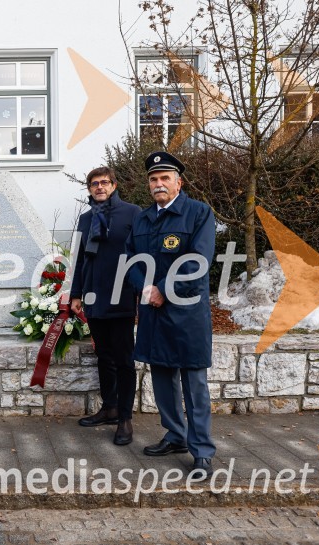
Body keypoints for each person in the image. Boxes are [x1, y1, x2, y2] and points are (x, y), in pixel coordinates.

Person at [125, 151, 217, 481]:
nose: (159, 183)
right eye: (153, 179)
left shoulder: (198, 213)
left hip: (187, 313)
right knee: (162, 379)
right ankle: (175, 435)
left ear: (179, 182)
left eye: (165, 178)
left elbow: (198, 261)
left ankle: (202, 451)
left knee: (194, 385)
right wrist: (144, 287)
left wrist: (162, 288)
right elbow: (131, 258)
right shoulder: (142, 218)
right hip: (154, 312)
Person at [70, 167, 141, 445]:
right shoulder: (87, 218)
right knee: (104, 356)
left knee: (124, 360)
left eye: (104, 182)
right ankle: (109, 407)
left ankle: (125, 418)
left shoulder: (132, 213)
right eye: (94, 184)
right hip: (93, 296)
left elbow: (140, 254)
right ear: (89, 189)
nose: (99, 187)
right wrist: (76, 293)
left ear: (114, 185)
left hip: (121, 295)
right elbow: (78, 259)